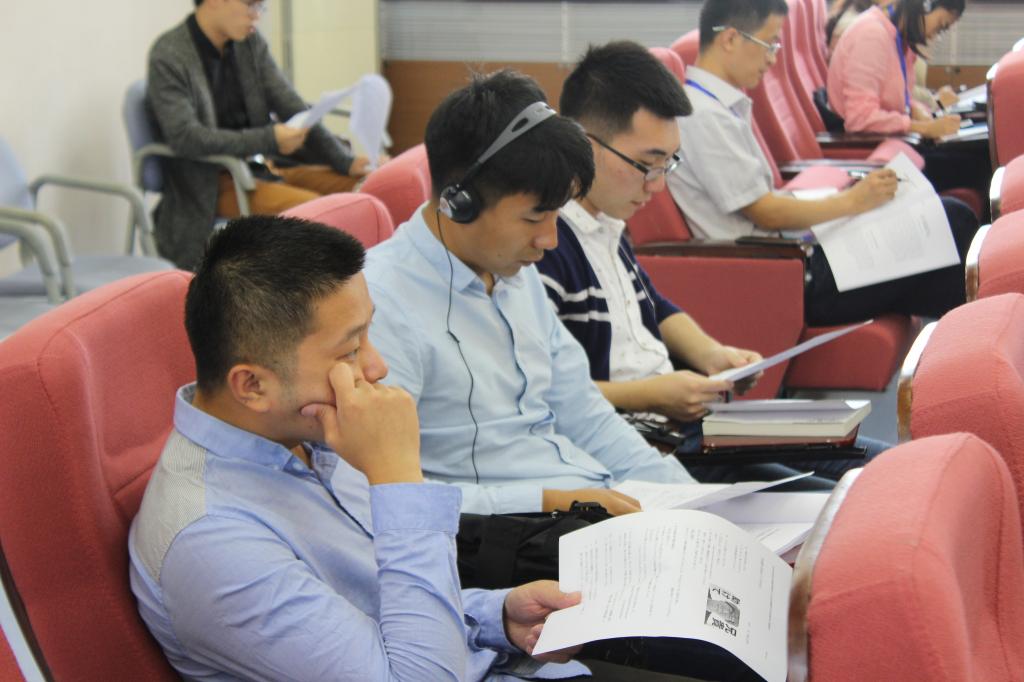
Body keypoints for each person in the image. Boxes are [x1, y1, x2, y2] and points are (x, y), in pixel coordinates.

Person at [128, 214, 592, 681]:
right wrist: (397, 478)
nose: (377, 367)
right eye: (350, 350)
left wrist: (496, 618)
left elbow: (378, 605)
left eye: (369, 334)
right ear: (252, 386)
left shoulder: (306, 435)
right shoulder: (212, 543)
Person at [540, 40, 882, 488]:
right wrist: (651, 395)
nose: (657, 186)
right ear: (584, 145)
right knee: (845, 499)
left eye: (668, 164)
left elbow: (655, 306)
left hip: (686, 423)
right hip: (641, 444)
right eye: (646, 164)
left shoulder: (606, 220)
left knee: (880, 464)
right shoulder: (543, 245)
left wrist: (712, 355)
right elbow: (547, 393)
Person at [363, 69, 699, 519]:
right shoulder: (381, 305)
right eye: (534, 218)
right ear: (459, 203)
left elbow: (585, 415)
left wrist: (693, 500)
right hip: (507, 532)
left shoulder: (514, 276)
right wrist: (551, 503)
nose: (549, 241)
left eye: (557, 215)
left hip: (587, 504)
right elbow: (387, 494)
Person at [668, 0, 980, 328]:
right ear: (730, 39)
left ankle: (973, 338)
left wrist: (853, 206)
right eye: (769, 44)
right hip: (789, 274)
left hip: (795, 253)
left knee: (942, 260)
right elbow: (765, 212)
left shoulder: (719, 107)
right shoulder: (705, 117)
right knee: (952, 221)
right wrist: (853, 202)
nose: (772, 59)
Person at [146, 0, 375, 269]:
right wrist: (269, 138)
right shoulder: (169, 54)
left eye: (261, 6)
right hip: (212, 185)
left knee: (370, 185)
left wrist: (345, 161)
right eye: (251, 4)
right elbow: (186, 137)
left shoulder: (249, 43)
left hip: (263, 168)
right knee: (319, 213)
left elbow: (291, 106)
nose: (257, 16)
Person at [827, 0, 990, 203]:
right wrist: (923, 128)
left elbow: (891, 97)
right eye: (940, 26)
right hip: (876, 154)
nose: (934, 36)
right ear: (925, 5)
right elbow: (861, 118)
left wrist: (916, 110)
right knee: (980, 164)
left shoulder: (897, 37)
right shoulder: (871, 36)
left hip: (898, 144)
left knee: (982, 150)